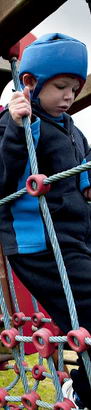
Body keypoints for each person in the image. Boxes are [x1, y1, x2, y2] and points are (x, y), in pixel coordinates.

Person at [0, 33, 91, 408]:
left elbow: (84, 170)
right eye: (61, 86)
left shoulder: (72, 128)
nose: (69, 96)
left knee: (81, 322)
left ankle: (82, 390)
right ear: (30, 83)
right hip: (40, 242)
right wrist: (20, 129)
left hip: (75, 237)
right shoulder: (16, 122)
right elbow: (5, 177)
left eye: (75, 87)